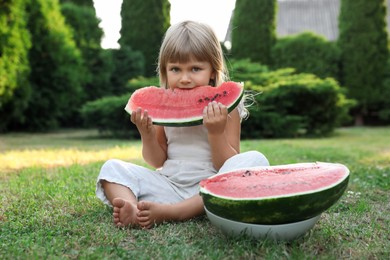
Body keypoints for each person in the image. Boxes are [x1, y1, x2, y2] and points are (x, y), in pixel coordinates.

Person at [96, 20, 269, 229]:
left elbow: (227, 165)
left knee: (255, 160)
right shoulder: (163, 106)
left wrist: (216, 132)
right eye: (175, 69)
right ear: (164, 70)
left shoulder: (227, 107)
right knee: (112, 167)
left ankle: (176, 212)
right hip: (169, 186)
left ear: (213, 71)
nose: (185, 78)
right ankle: (133, 209)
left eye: (195, 69)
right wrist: (147, 135)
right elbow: (157, 160)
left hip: (212, 187)